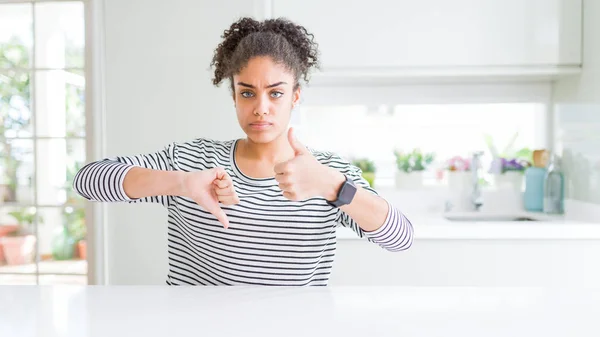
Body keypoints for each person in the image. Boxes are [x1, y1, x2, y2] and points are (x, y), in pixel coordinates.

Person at [73, 17, 414, 286]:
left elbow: (401, 238)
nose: (261, 108)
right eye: (248, 93)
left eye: (276, 93)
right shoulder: (193, 161)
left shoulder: (326, 171)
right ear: (234, 96)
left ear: (295, 96)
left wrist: (334, 187)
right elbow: (87, 181)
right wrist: (180, 184)